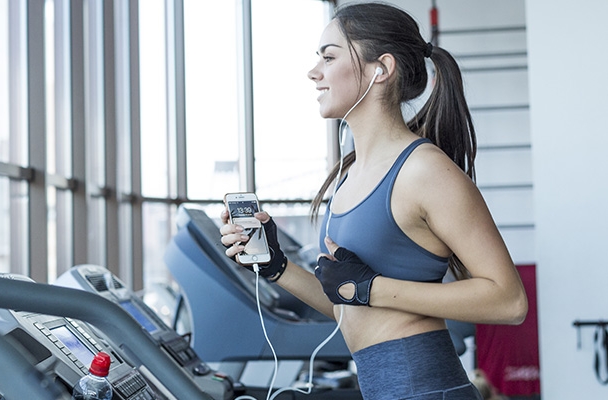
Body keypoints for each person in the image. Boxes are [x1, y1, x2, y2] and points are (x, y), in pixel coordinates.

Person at [220, 2, 528, 399]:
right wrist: (275, 264)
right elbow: (348, 301)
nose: (314, 72)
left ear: (380, 69)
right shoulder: (351, 174)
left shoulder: (424, 171)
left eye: (329, 57)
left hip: (426, 388)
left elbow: (509, 300)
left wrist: (369, 289)